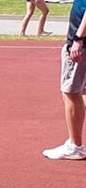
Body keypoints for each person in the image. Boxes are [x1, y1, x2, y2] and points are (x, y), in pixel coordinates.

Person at [42, 0, 86, 160]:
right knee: (82, 91)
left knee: (71, 92)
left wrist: (78, 38)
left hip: (82, 42)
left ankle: (75, 146)